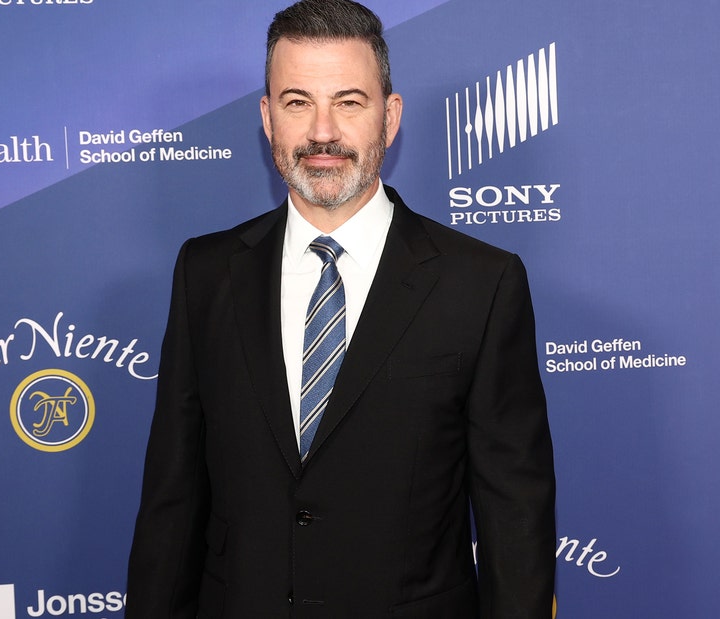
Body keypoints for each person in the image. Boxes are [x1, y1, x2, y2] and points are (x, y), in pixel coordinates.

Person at [126, 0, 556, 617]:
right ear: (267, 118)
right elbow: (172, 501)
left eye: (349, 102)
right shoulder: (206, 273)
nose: (322, 131)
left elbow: (515, 513)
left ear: (390, 116)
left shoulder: (481, 282)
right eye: (297, 102)